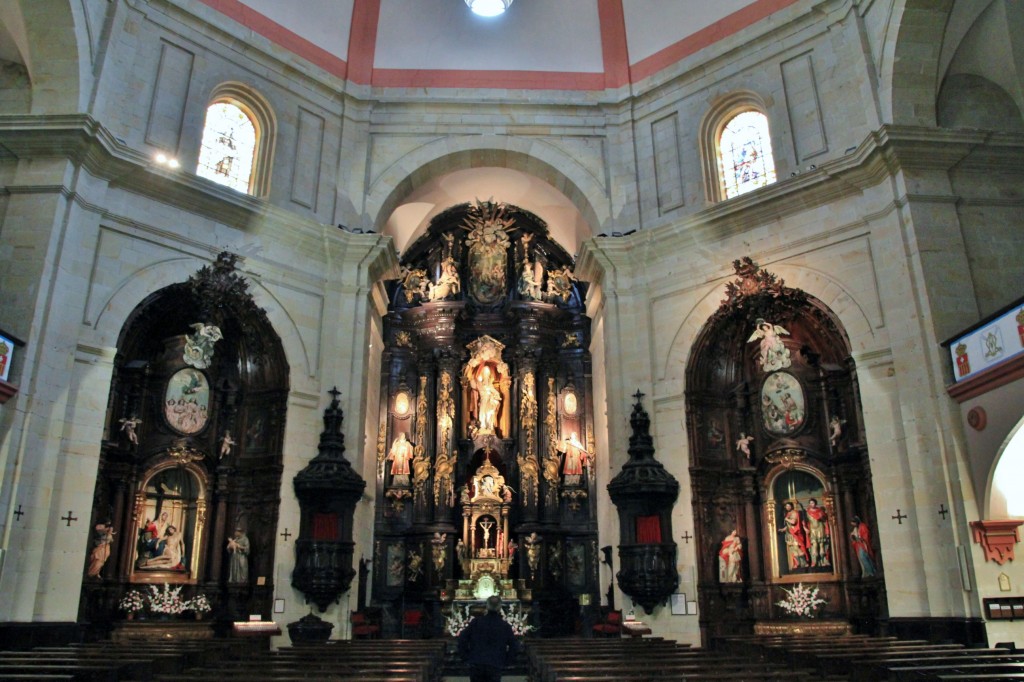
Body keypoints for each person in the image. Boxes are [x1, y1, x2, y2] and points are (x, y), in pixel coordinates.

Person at [458, 595, 520, 682]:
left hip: (477, 662)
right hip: (495, 663)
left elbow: (462, 639)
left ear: (487, 606)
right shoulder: (504, 626)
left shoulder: (476, 622)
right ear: (499, 608)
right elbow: (514, 646)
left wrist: (466, 657)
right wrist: (507, 661)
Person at [779, 501, 810, 570]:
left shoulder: (794, 513)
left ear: (792, 506)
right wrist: (783, 529)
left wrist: (786, 519)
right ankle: (798, 564)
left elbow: (793, 522)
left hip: (795, 533)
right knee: (793, 550)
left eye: (789, 506)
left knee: (797, 548)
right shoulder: (788, 514)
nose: (787, 507)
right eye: (786, 506)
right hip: (789, 534)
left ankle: (805, 563)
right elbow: (788, 525)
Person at [805, 498, 831, 567]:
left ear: (815, 503)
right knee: (814, 545)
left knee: (821, 545)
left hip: (820, 529)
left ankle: (823, 561)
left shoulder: (820, 511)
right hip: (812, 530)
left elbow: (825, 520)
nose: (811, 504)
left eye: (812, 503)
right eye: (810, 503)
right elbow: (804, 522)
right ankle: (814, 561)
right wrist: (805, 529)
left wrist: (821, 517)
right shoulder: (807, 511)